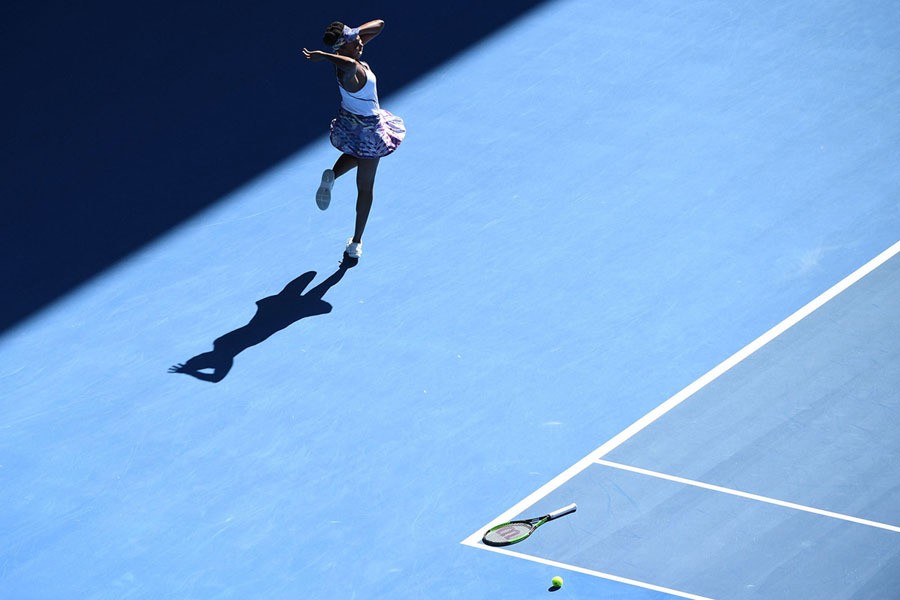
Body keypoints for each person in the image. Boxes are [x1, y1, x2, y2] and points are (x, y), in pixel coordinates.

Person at [302, 20, 406, 261]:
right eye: (353, 42)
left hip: (351, 122)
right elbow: (348, 63)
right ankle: (356, 242)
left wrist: (354, 34)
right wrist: (327, 55)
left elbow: (379, 25)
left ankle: (332, 176)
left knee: (358, 155)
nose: (359, 42)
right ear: (342, 50)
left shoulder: (349, 55)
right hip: (369, 128)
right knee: (366, 188)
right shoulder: (349, 68)